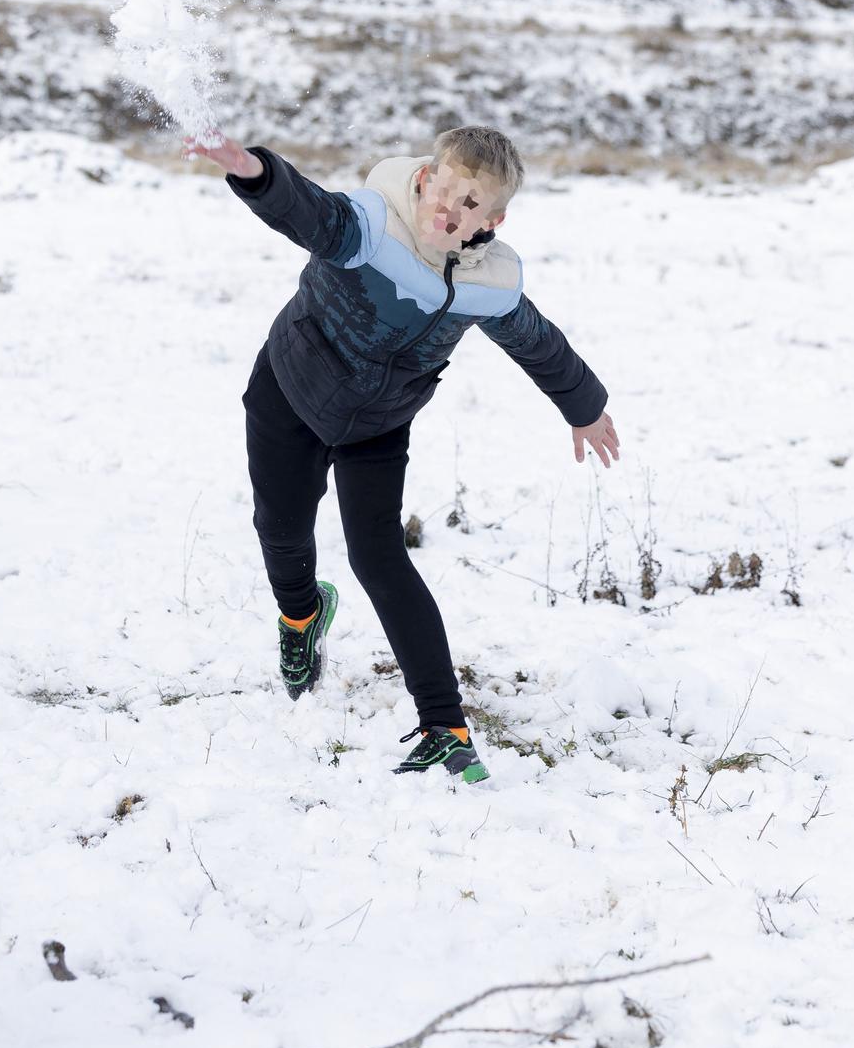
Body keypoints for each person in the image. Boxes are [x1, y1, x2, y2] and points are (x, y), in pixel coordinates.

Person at [187, 126, 618, 783]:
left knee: (379, 556)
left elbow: (539, 342)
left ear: (493, 219)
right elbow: (312, 213)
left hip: (378, 426)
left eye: (471, 204)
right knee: (281, 525)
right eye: (443, 188)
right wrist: (254, 171)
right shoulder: (372, 226)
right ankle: (301, 614)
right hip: (290, 387)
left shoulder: (487, 284)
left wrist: (584, 405)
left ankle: (444, 726)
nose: (449, 208)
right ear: (424, 178)